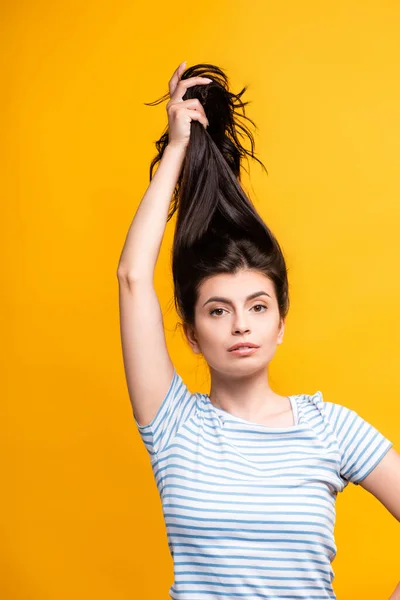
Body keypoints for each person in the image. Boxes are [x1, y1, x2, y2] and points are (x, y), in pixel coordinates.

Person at [117, 61, 400, 600]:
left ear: (281, 323)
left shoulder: (332, 429)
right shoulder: (173, 422)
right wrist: (177, 149)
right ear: (192, 332)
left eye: (258, 306)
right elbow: (133, 277)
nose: (241, 324)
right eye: (218, 310)